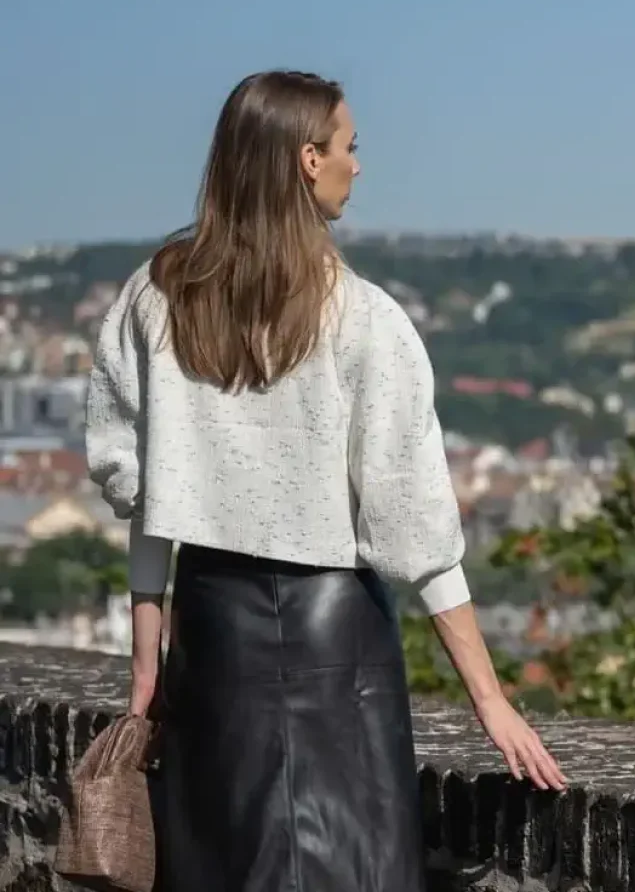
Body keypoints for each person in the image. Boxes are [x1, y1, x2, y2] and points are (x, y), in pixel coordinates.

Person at [85, 69, 566, 892]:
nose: (358, 166)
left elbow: (143, 493)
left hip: (211, 638)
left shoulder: (155, 297)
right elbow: (412, 529)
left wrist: (147, 662)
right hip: (336, 647)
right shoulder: (362, 318)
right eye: (350, 147)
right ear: (307, 160)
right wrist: (488, 698)